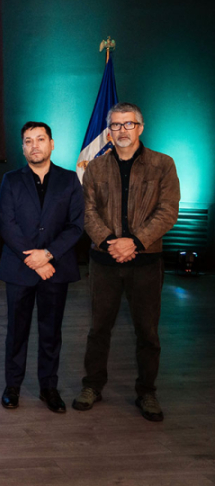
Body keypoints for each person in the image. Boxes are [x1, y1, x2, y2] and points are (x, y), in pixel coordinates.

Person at [73, 102, 179, 422]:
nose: (122, 130)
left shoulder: (163, 165)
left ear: (140, 127)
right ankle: (92, 385)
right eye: (116, 125)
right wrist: (109, 243)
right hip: (104, 262)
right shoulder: (95, 167)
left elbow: (168, 211)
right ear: (108, 131)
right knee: (98, 329)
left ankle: (147, 392)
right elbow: (87, 211)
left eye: (128, 124)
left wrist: (134, 241)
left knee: (147, 332)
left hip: (145, 262)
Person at [0, 122, 84, 413]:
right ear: (22, 147)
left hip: (54, 268)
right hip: (20, 268)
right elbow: (6, 224)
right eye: (28, 141)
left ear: (52, 143)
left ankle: (49, 387)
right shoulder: (10, 179)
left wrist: (47, 255)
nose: (35, 145)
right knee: (16, 331)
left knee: (51, 332)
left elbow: (75, 226)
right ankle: (13, 387)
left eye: (40, 139)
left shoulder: (70, 180)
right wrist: (31, 259)